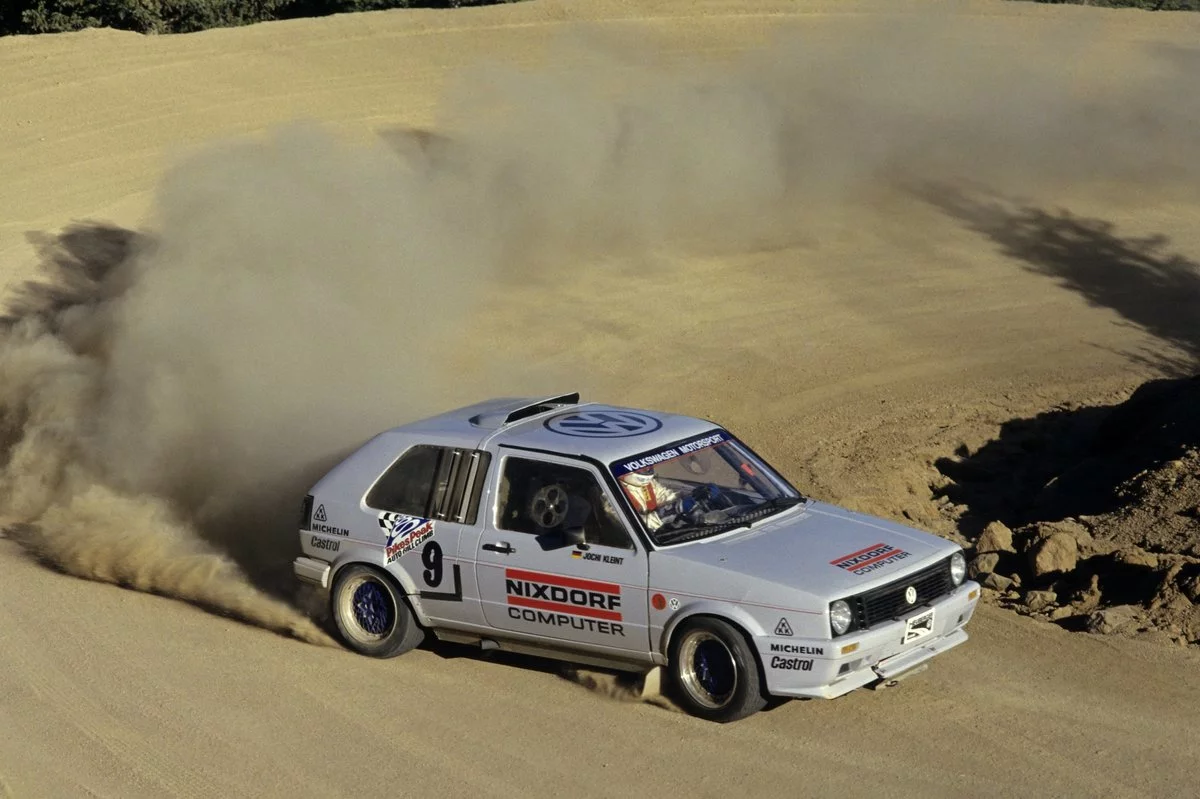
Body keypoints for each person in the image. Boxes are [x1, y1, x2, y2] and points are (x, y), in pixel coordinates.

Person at [618, 467, 720, 531]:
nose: (646, 469)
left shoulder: (647, 485)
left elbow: (667, 497)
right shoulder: (611, 494)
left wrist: (695, 494)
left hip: (659, 534)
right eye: (640, 467)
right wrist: (672, 509)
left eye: (648, 466)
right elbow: (634, 527)